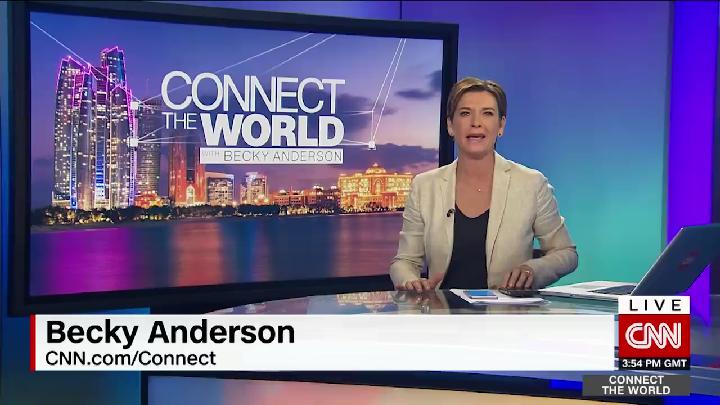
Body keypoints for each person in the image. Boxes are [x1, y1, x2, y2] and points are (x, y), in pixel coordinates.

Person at [390, 77, 578, 293]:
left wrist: (533, 270)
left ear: (501, 125)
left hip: (508, 311)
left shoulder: (531, 184)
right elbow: (404, 262)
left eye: (487, 113)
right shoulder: (424, 186)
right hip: (443, 310)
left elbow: (566, 253)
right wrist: (410, 281)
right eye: (465, 113)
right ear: (450, 125)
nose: (476, 122)